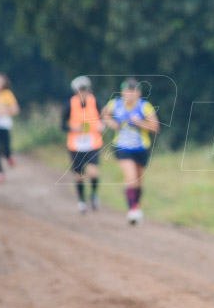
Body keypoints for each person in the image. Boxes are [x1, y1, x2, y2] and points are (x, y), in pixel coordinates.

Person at [102, 78, 159, 225]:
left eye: (134, 91)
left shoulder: (145, 107)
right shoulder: (115, 104)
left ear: (139, 93)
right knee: (131, 177)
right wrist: (111, 123)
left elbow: (155, 127)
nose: (131, 94)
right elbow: (104, 115)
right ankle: (132, 209)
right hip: (122, 147)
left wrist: (139, 122)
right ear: (122, 92)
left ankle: (136, 206)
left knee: (139, 180)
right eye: (128, 90)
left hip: (141, 148)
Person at [62, 76, 104, 213]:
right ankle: (81, 201)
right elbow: (62, 125)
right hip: (76, 144)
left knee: (93, 171)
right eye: (80, 90)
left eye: (85, 90)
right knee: (79, 175)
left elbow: (104, 118)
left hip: (93, 142)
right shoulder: (69, 105)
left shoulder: (96, 102)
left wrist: (102, 125)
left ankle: (93, 195)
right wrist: (73, 128)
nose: (83, 93)